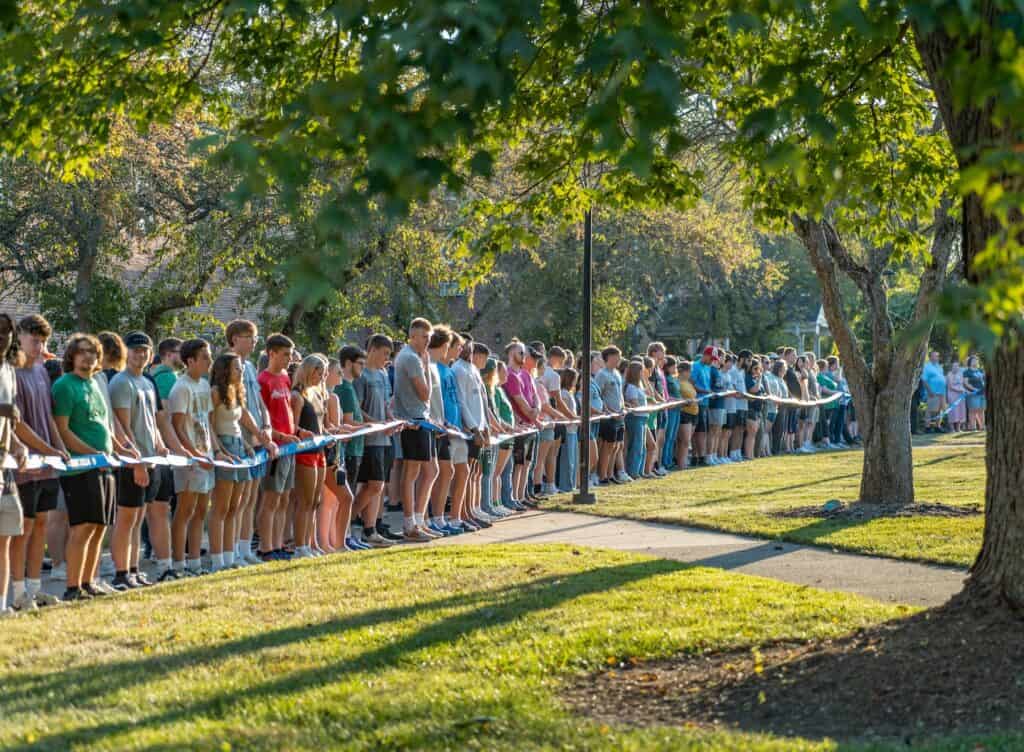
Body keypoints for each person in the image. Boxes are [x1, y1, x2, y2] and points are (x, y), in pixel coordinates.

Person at [52, 334, 128, 600]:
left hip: (104, 466)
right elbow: (63, 430)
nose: (88, 357)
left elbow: (104, 425)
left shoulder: (96, 384)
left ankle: (88, 582)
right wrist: (93, 453)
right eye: (82, 352)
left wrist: (118, 447)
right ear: (72, 355)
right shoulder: (64, 385)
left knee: (99, 527)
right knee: (82, 528)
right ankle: (73, 588)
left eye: (93, 353)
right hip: (80, 469)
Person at [11, 314, 66, 609]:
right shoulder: (11, 373)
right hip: (24, 465)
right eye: (33, 338)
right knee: (25, 528)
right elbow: (17, 425)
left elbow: (49, 418)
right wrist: (47, 449)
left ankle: (35, 590)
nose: (38, 344)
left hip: (47, 465)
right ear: (19, 336)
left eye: (42, 339)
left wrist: (57, 448)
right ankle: (18, 595)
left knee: (41, 524)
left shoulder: (43, 371)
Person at [108, 332, 167, 588]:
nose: (140, 354)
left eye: (144, 350)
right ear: (126, 352)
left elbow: (151, 421)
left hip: (150, 459)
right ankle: (121, 573)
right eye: (135, 350)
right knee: (126, 518)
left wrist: (160, 444)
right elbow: (122, 424)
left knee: (138, 518)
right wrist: (137, 460)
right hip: (131, 461)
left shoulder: (147, 381)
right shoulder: (121, 382)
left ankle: (133, 569)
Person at [226, 319, 276, 565]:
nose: (254, 342)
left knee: (250, 499)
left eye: (255, 337)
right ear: (235, 338)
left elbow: (258, 403)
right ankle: (232, 550)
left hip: (258, 439)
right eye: (249, 337)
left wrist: (266, 427)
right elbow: (239, 406)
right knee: (237, 500)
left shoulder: (249, 368)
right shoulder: (229, 366)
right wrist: (258, 432)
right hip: (241, 440)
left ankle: (245, 549)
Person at [168, 338, 217, 576]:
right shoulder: (181, 387)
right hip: (189, 459)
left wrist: (215, 451)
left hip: (205, 455)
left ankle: (195, 562)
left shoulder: (204, 385)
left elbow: (206, 421)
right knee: (184, 511)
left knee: (200, 511)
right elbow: (177, 427)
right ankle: (178, 563)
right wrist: (194, 455)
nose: (209, 361)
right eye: (205, 357)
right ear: (190, 361)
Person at [258, 334, 306, 561]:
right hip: (274, 448)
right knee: (271, 498)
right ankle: (266, 547)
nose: (289, 359)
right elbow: (262, 419)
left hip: (289, 447)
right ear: (272, 353)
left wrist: (296, 432)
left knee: (284, 498)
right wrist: (279, 436)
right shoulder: (263, 380)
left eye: (290, 354)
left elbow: (286, 413)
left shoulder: (286, 378)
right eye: (285, 354)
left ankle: (277, 543)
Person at [392, 318, 438, 541]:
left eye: (429, 338)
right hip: (413, 419)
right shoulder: (410, 357)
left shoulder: (413, 356)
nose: (427, 342)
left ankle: (419, 520)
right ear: (412, 336)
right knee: (411, 473)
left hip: (421, 418)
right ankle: (410, 524)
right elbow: (425, 393)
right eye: (424, 337)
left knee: (430, 470)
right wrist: (427, 366)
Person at [290, 354, 339, 555]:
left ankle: (311, 544)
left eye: (323, 372)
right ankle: (300, 545)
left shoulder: (318, 394)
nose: (321, 376)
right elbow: (292, 425)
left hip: (319, 451)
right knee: (305, 500)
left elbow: (320, 424)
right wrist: (301, 432)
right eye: (318, 371)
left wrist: (328, 433)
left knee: (315, 501)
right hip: (304, 453)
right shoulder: (297, 395)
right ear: (308, 370)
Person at [353, 334, 399, 546]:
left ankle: (370, 528)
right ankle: (350, 520)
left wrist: (390, 421)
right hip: (370, 440)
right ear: (372, 349)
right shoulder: (361, 376)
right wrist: (376, 424)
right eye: (384, 353)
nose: (386, 358)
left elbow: (386, 405)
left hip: (385, 439)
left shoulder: (382, 374)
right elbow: (358, 409)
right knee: (373, 485)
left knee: (378, 487)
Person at [0, 313, 30, 614]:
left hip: (5, 466)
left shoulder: (9, 370)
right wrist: (4, 408)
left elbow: (7, 423)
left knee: (6, 535)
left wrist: (18, 446)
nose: (2, 336)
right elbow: (6, 411)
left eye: (7, 331)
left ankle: (2, 606)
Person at [504, 340, 543, 503]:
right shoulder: (510, 375)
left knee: (527, 463)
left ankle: (521, 496)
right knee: (518, 465)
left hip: (530, 424)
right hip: (520, 425)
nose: (524, 356)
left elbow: (536, 397)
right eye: (521, 353)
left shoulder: (526, 374)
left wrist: (537, 410)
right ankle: (514, 498)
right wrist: (532, 414)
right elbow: (519, 400)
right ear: (512, 354)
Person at [595, 346, 628, 483]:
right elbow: (598, 396)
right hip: (609, 418)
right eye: (616, 356)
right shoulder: (601, 374)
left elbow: (619, 394)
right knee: (608, 446)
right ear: (609, 357)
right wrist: (609, 412)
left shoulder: (617, 373)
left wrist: (623, 408)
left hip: (620, 416)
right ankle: (602, 475)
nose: (619, 359)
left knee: (616, 446)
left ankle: (610, 474)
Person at [622, 361, 648, 478]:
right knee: (636, 446)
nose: (644, 373)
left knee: (642, 446)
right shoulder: (631, 387)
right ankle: (633, 471)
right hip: (635, 418)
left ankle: (639, 471)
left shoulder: (639, 385)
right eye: (641, 371)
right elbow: (635, 404)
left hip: (642, 418)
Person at [556, 368, 580, 492]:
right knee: (567, 461)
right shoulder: (564, 393)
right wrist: (574, 417)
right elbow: (563, 411)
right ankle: (565, 486)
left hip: (573, 430)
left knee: (573, 460)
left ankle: (571, 485)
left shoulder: (569, 393)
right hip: (568, 430)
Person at [150, 338, 183, 402]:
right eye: (181, 352)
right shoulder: (166, 377)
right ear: (169, 355)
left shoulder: (159, 373)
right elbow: (165, 408)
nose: (184, 355)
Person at [922, 351, 947, 431]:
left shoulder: (940, 367)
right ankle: (927, 427)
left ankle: (937, 426)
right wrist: (929, 391)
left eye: (937, 356)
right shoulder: (927, 367)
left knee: (940, 410)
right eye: (935, 356)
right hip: (933, 392)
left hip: (942, 392)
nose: (937, 357)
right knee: (930, 410)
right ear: (930, 357)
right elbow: (924, 380)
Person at [963, 355, 986, 431]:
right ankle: (973, 427)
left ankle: (982, 427)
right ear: (970, 362)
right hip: (973, 394)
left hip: (982, 393)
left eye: (976, 360)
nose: (975, 362)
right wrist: (974, 389)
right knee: (973, 410)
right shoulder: (967, 372)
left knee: (981, 410)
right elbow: (965, 383)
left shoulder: (980, 370)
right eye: (973, 360)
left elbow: (983, 380)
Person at [945, 360, 967, 432]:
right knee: (953, 411)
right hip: (952, 395)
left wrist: (964, 390)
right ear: (951, 367)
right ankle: (952, 428)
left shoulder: (960, 374)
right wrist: (960, 390)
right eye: (954, 366)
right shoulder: (949, 374)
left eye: (957, 366)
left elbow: (963, 384)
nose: (956, 367)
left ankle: (958, 428)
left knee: (960, 411)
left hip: (960, 395)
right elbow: (950, 386)